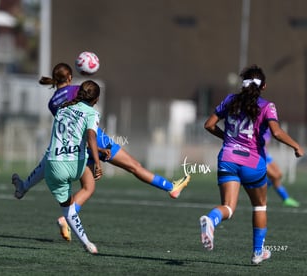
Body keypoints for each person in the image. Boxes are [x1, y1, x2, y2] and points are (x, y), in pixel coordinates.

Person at [12, 63, 190, 241]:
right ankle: (171, 188)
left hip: (75, 148)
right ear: (70, 78)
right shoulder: (76, 90)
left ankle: (65, 217)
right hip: (96, 140)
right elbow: (88, 99)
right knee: (134, 166)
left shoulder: (52, 102)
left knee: (88, 187)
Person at [199, 64, 304, 264]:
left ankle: (211, 219)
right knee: (259, 207)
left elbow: (209, 125)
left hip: (227, 159)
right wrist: (296, 146)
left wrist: (226, 138)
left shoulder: (230, 100)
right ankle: (258, 253)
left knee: (228, 207)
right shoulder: (267, 106)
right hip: (252, 163)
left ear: (243, 84)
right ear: (263, 86)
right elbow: (277, 132)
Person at [42, 80, 102, 254]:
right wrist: (97, 163)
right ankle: (22, 186)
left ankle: (87, 244)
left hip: (54, 167)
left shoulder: (62, 108)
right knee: (88, 186)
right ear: (96, 99)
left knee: (68, 210)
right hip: (76, 166)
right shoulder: (92, 113)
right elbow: (90, 136)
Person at [264, 130, 300, 207]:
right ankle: (285, 198)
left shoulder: (268, 127)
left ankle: (286, 199)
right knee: (275, 176)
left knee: (279, 174)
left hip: (266, 154)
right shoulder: (257, 123)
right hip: (258, 154)